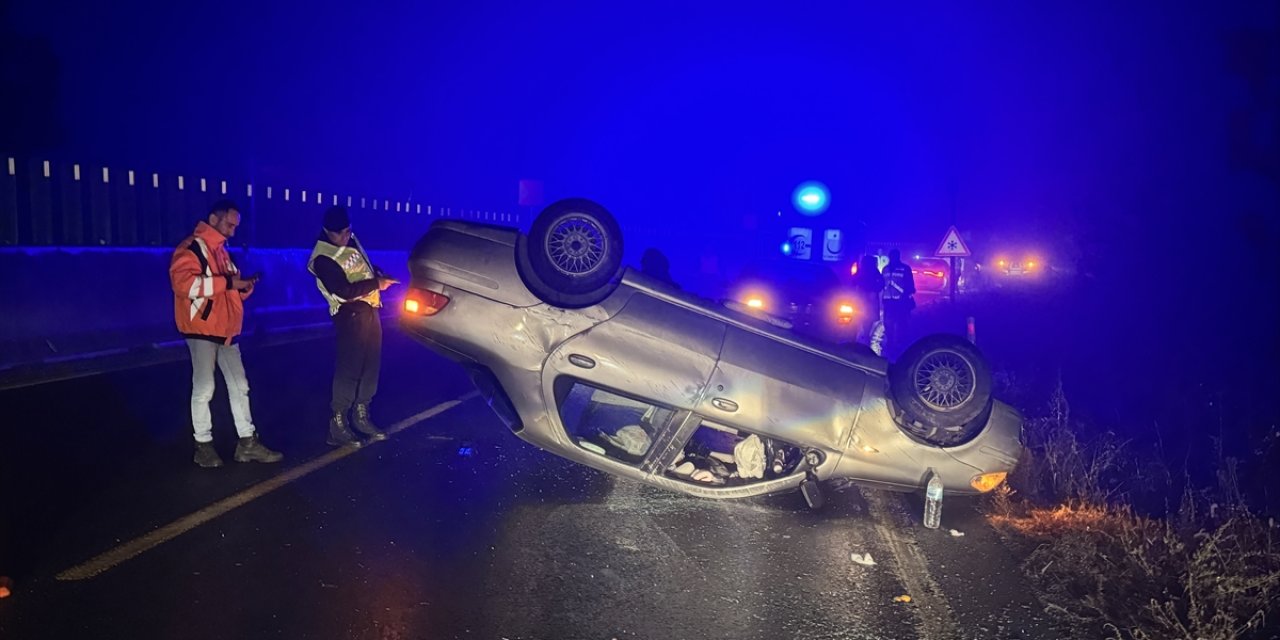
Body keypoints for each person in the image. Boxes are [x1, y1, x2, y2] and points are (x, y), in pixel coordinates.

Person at [169, 199, 283, 468]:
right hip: (202, 330)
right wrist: (232, 283)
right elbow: (184, 284)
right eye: (229, 224)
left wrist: (243, 288)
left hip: (226, 331)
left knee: (240, 387)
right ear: (213, 219)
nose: (233, 230)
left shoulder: (221, 251)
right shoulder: (191, 249)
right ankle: (203, 445)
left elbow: (228, 288)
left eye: (235, 226)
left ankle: (247, 443)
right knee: (205, 388)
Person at [308, 205, 396, 447]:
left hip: (369, 311)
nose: (346, 237)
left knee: (370, 365)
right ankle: (338, 424)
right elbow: (343, 290)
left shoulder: (350, 241)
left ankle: (361, 416)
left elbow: (360, 268)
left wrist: (376, 275)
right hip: (349, 315)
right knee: (350, 368)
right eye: (340, 233)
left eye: (348, 231)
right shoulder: (323, 257)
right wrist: (376, 284)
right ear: (327, 231)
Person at [881, 249, 917, 358]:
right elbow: (883, 284)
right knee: (888, 324)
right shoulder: (885, 269)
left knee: (902, 324)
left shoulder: (905, 269)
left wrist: (905, 295)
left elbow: (910, 286)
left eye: (894, 256)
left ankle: (901, 345)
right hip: (888, 302)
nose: (892, 258)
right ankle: (890, 344)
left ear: (898, 257)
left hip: (901, 302)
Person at [850, 254, 885, 352]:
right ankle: (865, 335)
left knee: (860, 317)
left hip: (862, 297)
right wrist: (875, 290)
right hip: (870, 297)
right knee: (868, 318)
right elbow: (882, 282)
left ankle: (858, 337)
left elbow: (853, 282)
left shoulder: (861, 271)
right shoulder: (874, 271)